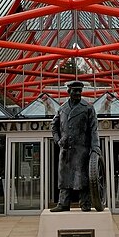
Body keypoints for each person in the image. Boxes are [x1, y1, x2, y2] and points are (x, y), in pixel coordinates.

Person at [50, 80, 100, 212]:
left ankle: (85, 203)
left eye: (79, 90)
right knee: (64, 177)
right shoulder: (62, 109)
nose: (78, 93)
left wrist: (95, 148)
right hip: (65, 149)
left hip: (81, 149)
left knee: (82, 177)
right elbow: (53, 126)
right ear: (69, 91)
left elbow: (93, 129)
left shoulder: (88, 108)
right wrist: (58, 140)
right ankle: (63, 203)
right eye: (75, 90)